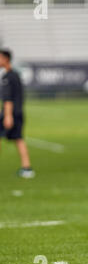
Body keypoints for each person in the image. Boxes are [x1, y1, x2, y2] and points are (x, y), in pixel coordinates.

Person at [0, 49, 35, 178]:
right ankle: (27, 168)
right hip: (18, 111)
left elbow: (8, 98)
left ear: (5, 59)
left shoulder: (8, 77)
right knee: (19, 139)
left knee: (18, 139)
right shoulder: (15, 75)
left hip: (11, 113)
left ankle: (27, 168)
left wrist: (7, 115)